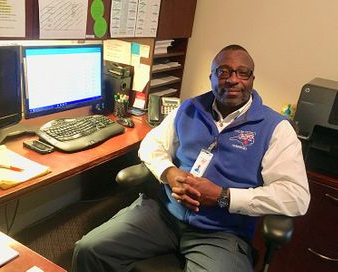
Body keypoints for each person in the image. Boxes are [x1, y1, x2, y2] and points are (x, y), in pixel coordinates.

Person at [71, 44, 310, 272]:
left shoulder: (275, 128)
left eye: (242, 73)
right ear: (212, 78)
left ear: (252, 79)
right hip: (164, 213)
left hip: (222, 231)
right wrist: (169, 173)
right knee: (89, 250)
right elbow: (151, 144)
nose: (233, 79)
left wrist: (222, 196)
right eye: (223, 71)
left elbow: (296, 196)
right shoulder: (189, 109)